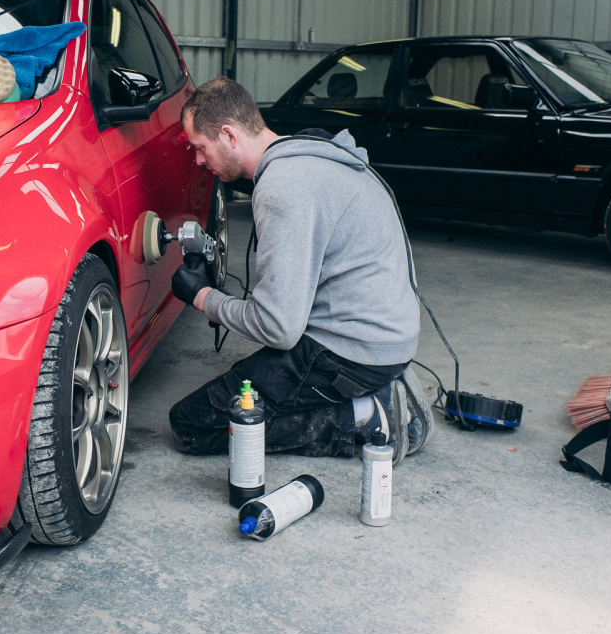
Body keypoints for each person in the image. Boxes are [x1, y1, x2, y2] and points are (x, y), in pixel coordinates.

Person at [169, 76, 424, 464]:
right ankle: (377, 390)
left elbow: (278, 328)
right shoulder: (310, 159)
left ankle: (373, 415)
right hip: (388, 336)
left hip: (355, 353)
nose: (198, 160)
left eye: (200, 148)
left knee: (194, 422)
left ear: (229, 135)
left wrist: (204, 298)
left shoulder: (284, 188)